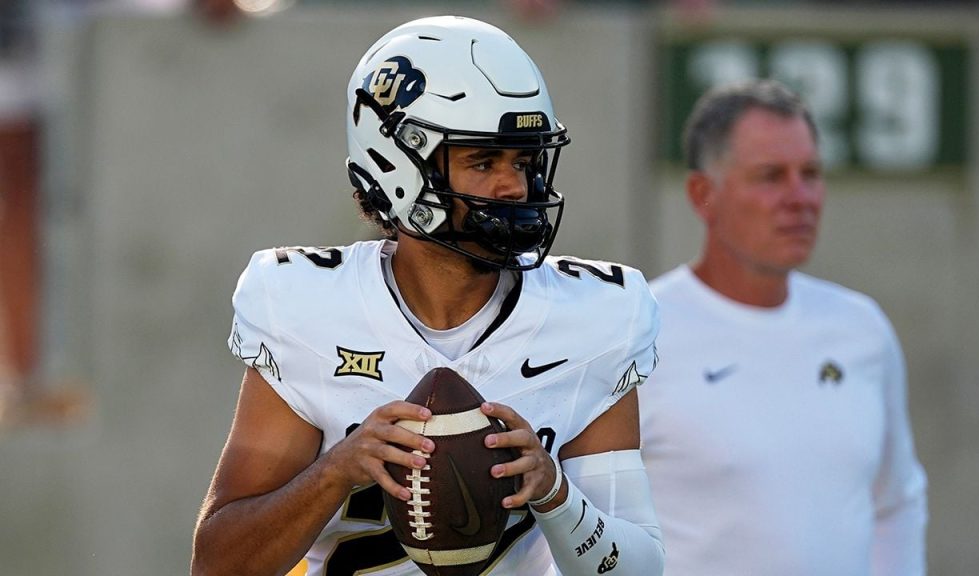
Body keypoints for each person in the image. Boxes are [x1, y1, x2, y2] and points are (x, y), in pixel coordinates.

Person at [191, 15, 664, 576]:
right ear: (397, 167)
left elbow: (639, 569)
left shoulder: (596, 318)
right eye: (483, 161)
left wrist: (555, 494)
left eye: (523, 161)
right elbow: (217, 565)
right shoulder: (304, 308)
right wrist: (336, 471)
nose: (514, 186)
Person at [639, 79, 928, 575]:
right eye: (771, 176)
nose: (801, 197)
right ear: (703, 195)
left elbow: (896, 502)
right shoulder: (638, 333)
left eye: (810, 173)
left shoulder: (861, 329)